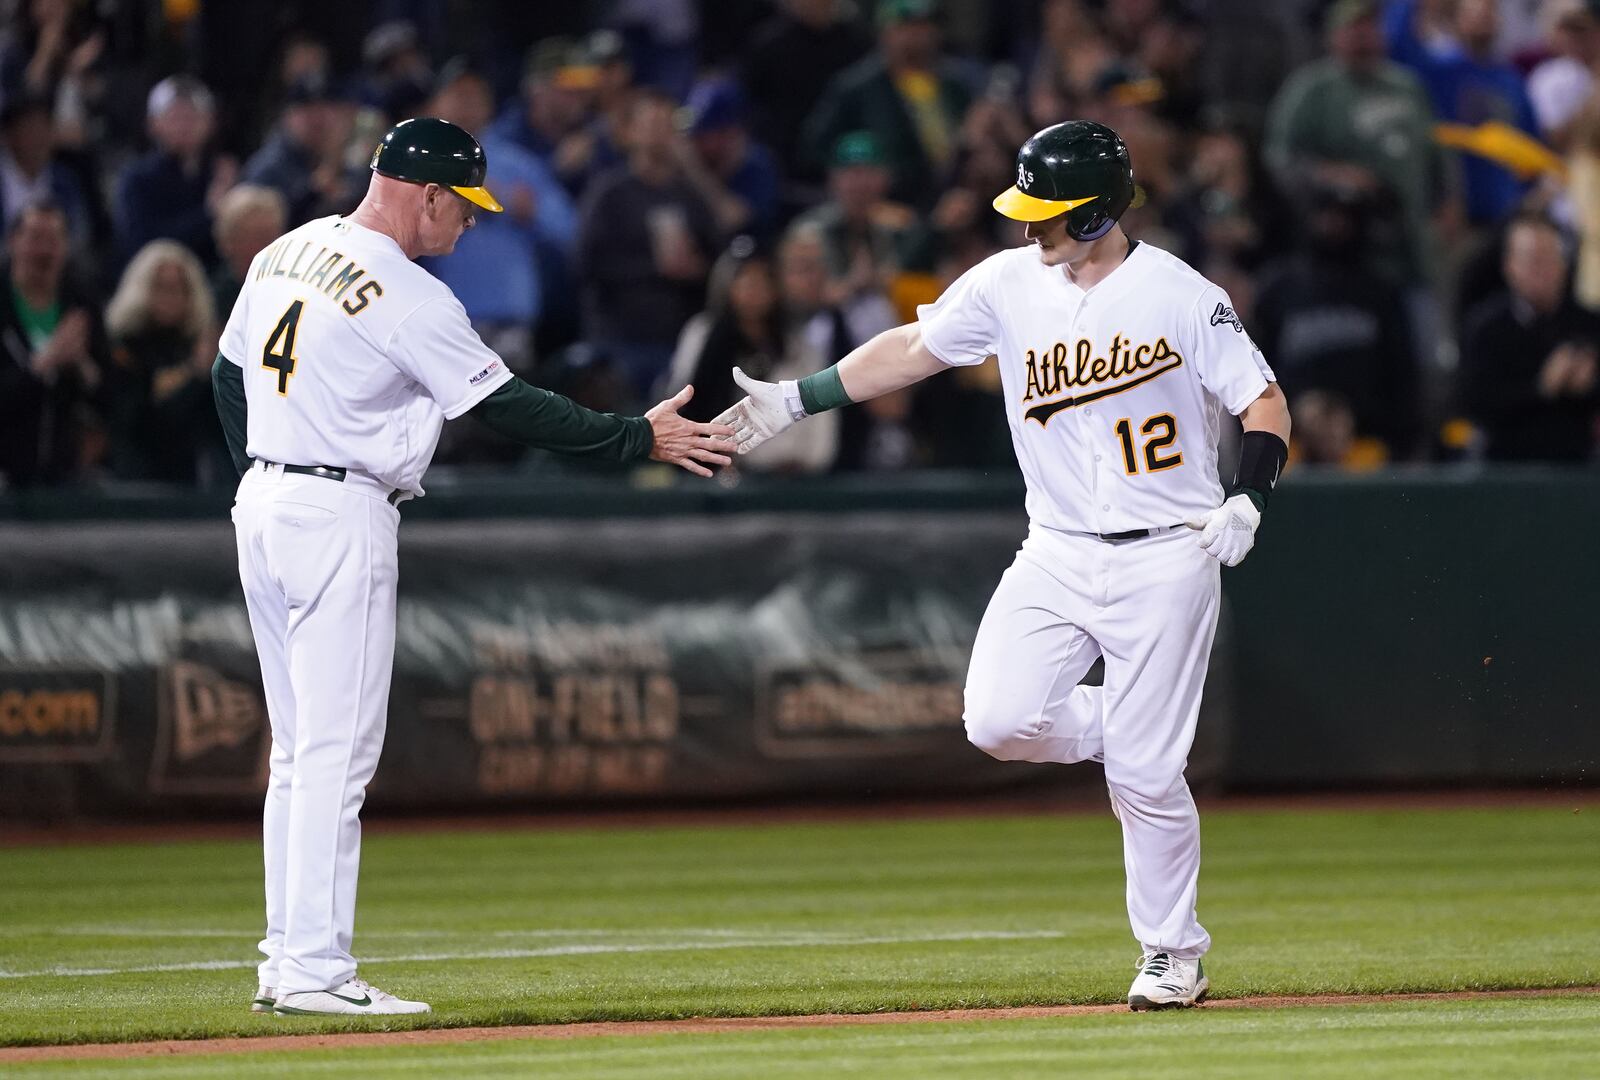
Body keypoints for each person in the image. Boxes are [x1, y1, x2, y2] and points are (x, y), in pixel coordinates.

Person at [712, 121, 1290, 1009]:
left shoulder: (1181, 294)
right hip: (1054, 549)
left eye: (1047, 214)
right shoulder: (1009, 282)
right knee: (998, 720)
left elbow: (1263, 401)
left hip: (1167, 555)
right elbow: (914, 349)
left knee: (1143, 779)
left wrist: (1249, 494)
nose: (1028, 229)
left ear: (1098, 212)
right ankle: (1135, 734)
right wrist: (797, 399)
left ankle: (1173, 950)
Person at [213, 118, 734, 1018]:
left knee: (300, 754)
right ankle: (312, 970)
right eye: (465, 208)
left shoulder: (286, 250)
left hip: (263, 500)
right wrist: (633, 437)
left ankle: (285, 959)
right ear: (427, 196)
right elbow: (513, 408)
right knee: (335, 756)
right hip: (339, 510)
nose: (471, 225)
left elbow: (228, 376)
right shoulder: (408, 294)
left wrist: (267, 468)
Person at [578, 90, 721, 405]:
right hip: (621, 337)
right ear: (630, 132)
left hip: (680, 336)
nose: (658, 133)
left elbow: (720, 260)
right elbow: (587, 263)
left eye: (665, 124)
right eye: (649, 124)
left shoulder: (690, 197)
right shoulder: (610, 195)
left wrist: (697, 269)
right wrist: (655, 268)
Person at [800, 0, 976, 208]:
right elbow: (815, 148)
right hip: (888, 202)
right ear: (884, 31)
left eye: (923, 26)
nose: (916, 36)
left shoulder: (956, 85)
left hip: (951, 196)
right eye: (905, 27)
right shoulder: (857, 88)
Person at [1459, 213, 1600, 460]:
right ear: (1510, 266)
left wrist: (1587, 384)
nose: (1542, 270)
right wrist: (1542, 386)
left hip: (1576, 468)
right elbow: (1476, 403)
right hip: (1505, 470)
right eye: (1532, 260)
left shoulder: (1587, 323)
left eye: (1549, 258)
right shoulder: (1487, 327)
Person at [0, 199, 107, 489]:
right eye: (35, 238)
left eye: (54, 239)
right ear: (13, 242)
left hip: (66, 478)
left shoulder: (83, 304)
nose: (44, 250)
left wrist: (83, 367)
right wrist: (44, 364)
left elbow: (110, 397)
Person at [102, 239, 227, 485]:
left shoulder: (198, 347)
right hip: (135, 480)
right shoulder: (123, 348)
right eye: (161, 287)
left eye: (179, 288)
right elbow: (141, 421)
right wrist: (195, 374)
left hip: (190, 482)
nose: (170, 297)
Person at [114, 75, 237, 266]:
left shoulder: (220, 173)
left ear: (210, 122)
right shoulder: (137, 180)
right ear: (153, 123)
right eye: (175, 117)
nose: (184, 126)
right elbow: (144, 246)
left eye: (192, 116)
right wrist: (209, 214)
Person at [241, 73, 365, 227]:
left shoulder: (344, 159)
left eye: (324, 108)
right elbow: (259, 230)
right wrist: (314, 191)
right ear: (288, 115)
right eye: (307, 110)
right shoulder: (269, 167)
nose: (317, 119)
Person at [209, 184, 288, 318]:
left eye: (270, 236)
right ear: (229, 241)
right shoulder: (212, 300)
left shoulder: (294, 290)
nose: (266, 246)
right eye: (255, 236)